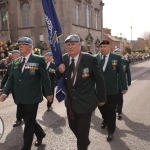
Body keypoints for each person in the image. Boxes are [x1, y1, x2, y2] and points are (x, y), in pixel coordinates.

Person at [0, 37, 53, 150]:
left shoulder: (38, 60)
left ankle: (26, 147)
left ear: (30, 47)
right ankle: (40, 134)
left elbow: (45, 78)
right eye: (19, 45)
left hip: (33, 97)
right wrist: (5, 93)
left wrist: (48, 93)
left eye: (24, 44)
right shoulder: (16, 62)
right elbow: (11, 78)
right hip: (20, 97)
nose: (20, 46)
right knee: (29, 119)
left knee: (28, 124)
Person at [58, 34, 106, 150]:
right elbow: (57, 80)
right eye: (68, 45)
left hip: (86, 102)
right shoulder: (63, 59)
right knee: (73, 126)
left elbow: (99, 80)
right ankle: (84, 141)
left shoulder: (90, 59)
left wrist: (102, 98)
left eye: (73, 44)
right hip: (70, 102)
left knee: (83, 132)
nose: (70, 47)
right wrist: (59, 72)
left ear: (79, 45)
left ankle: (83, 144)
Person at [95, 40, 128, 142]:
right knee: (101, 108)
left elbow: (122, 73)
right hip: (99, 90)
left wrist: (124, 86)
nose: (102, 48)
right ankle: (105, 119)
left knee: (111, 111)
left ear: (109, 47)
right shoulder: (96, 58)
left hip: (112, 89)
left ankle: (110, 131)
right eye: (101, 47)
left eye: (104, 46)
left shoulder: (116, 58)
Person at [0, 50, 23, 127]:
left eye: (15, 54)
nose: (13, 55)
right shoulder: (10, 65)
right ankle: (22, 116)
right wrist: (2, 85)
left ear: (20, 55)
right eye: (12, 54)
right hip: (14, 88)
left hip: (23, 88)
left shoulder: (25, 63)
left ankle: (19, 119)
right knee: (18, 102)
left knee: (21, 103)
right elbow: (6, 76)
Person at [113, 48, 131, 120]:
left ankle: (119, 112)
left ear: (120, 54)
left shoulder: (125, 62)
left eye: (118, 53)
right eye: (116, 53)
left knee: (120, 99)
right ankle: (115, 110)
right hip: (113, 84)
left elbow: (128, 72)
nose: (117, 54)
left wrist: (129, 82)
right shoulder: (113, 61)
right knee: (113, 99)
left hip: (121, 84)